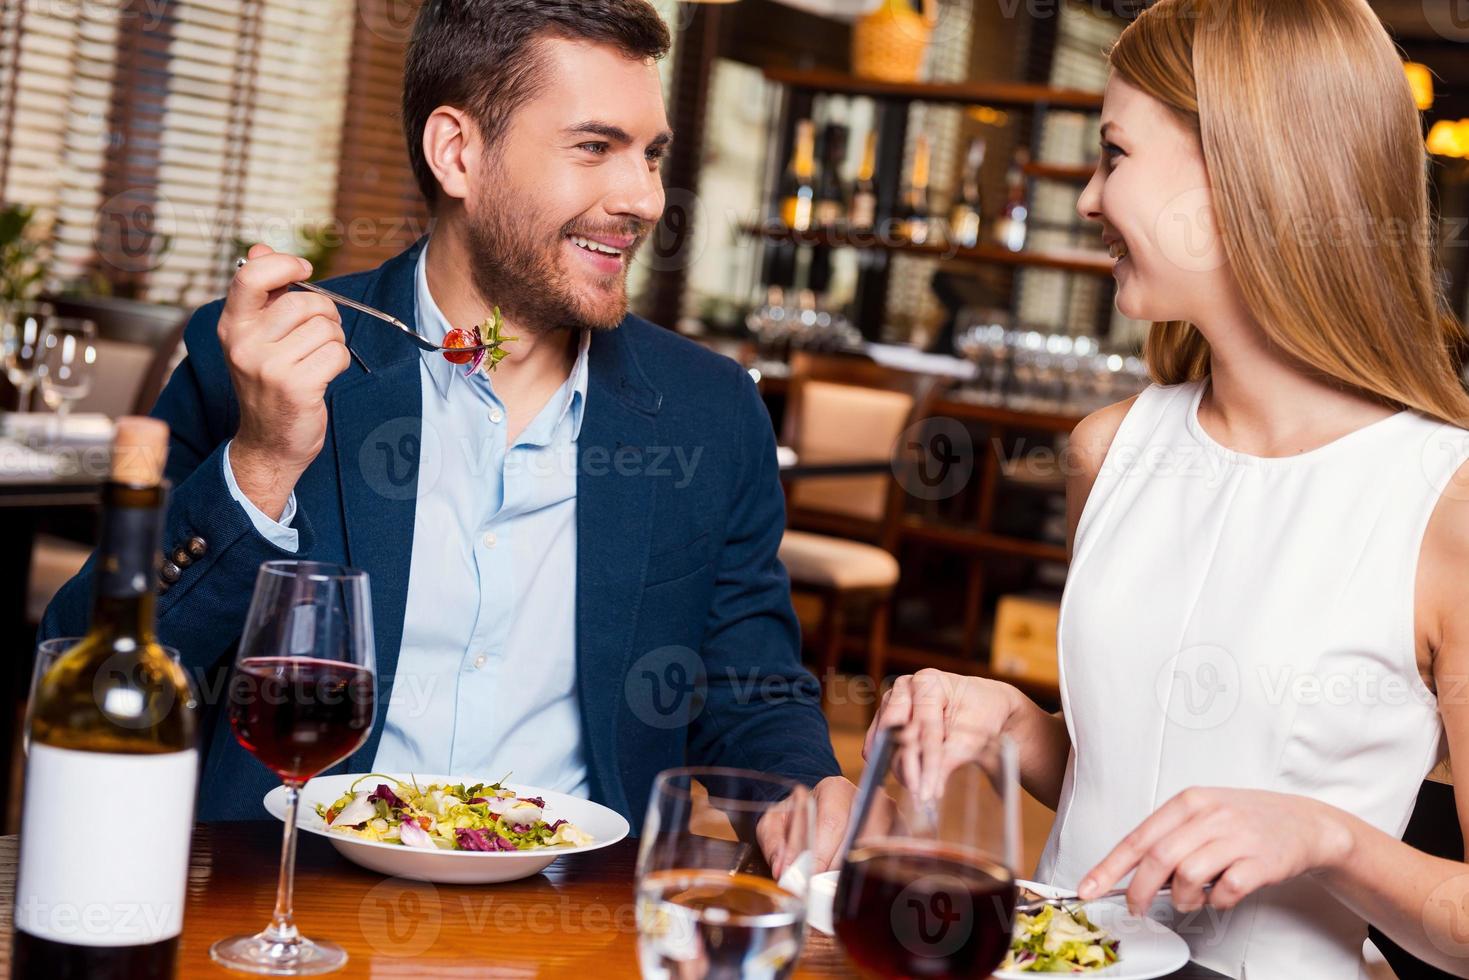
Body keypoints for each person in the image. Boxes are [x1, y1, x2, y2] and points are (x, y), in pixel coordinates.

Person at [41, 0, 855, 868]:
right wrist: (265, 459)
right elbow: (93, 671)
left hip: (577, 920)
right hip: (286, 902)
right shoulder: (257, 363)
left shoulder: (710, 409)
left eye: (650, 154)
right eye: (594, 147)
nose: (643, 198)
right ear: (457, 152)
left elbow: (749, 689)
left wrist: (804, 788)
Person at [866, 0, 1469, 976]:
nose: (1089, 198)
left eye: (1114, 154)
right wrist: (1015, 726)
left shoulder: (1443, 504)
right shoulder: (1108, 448)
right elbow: (1127, 792)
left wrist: (1327, 838)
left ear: (1241, 174)